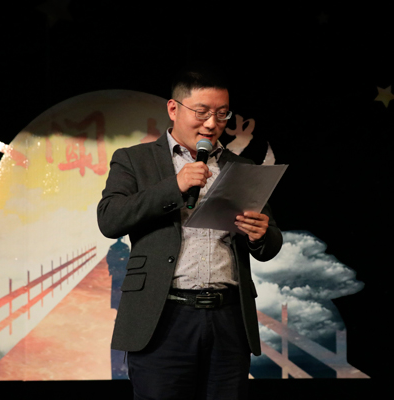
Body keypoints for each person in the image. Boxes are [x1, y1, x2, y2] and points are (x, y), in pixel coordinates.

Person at [97, 67, 283, 399]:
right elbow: (110, 218)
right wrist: (175, 185)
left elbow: (270, 244)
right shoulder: (135, 160)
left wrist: (260, 234)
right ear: (173, 108)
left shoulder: (240, 167)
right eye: (202, 112)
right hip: (163, 318)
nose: (212, 124)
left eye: (222, 114)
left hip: (228, 319)